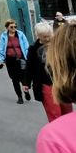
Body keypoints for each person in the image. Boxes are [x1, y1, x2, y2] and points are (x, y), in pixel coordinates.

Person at [36, 22, 76, 153]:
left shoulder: (52, 138)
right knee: (55, 113)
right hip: (47, 86)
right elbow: (31, 69)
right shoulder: (35, 50)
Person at [25, 21, 73, 122]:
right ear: (38, 36)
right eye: (44, 37)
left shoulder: (58, 45)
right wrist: (26, 83)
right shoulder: (33, 49)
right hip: (46, 85)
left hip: (62, 83)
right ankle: (57, 136)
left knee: (68, 112)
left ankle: (70, 135)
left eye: (49, 36)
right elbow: (29, 67)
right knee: (55, 114)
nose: (47, 39)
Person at [0, 19, 31, 103]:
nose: (14, 28)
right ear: (7, 27)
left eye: (15, 26)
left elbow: (26, 46)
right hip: (10, 61)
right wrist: (1, 61)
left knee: (23, 78)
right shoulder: (4, 36)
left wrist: (27, 57)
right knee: (14, 79)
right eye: (11, 27)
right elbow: (1, 49)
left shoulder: (20, 34)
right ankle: (19, 97)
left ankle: (26, 91)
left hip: (21, 59)